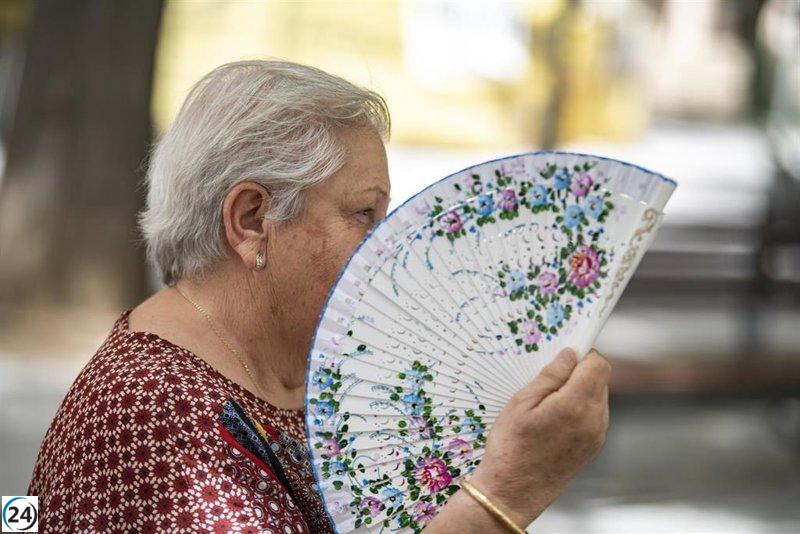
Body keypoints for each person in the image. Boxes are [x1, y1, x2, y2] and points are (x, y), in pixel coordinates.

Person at [27, 59, 611, 533]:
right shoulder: (155, 416)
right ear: (253, 219)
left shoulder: (293, 374)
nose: (390, 250)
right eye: (364, 214)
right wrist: (501, 496)